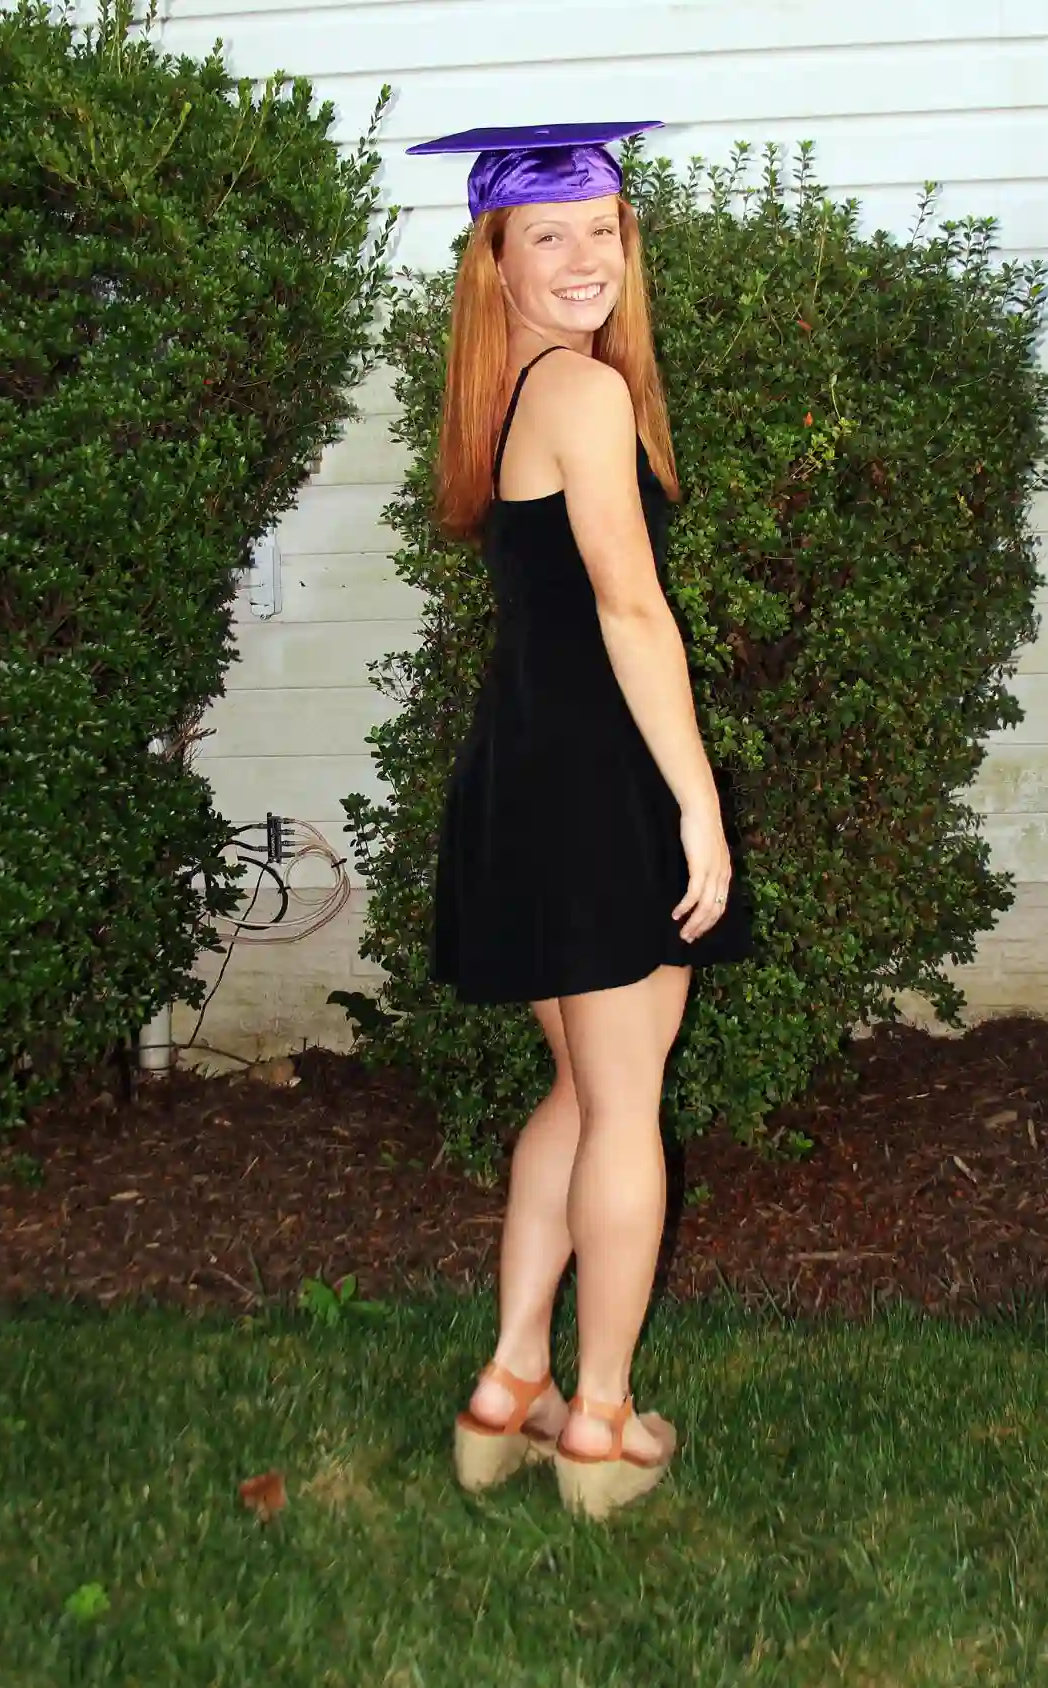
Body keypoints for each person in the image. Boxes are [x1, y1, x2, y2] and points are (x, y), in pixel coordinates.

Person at [406, 121, 754, 1519]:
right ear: (492, 260)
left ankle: (510, 1386)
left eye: (603, 229)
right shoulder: (585, 396)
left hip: (522, 776)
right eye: (546, 234)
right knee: (626, 1108)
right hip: (598, 790)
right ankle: (601, 1425)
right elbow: (627, 606)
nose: (584, 258)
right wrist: (699, 804)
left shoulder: (501, 397)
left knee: (576, 1090)